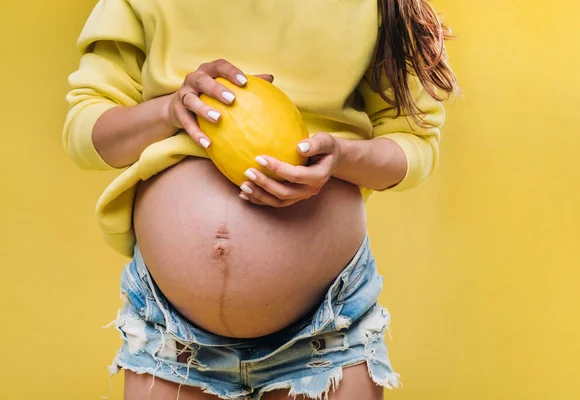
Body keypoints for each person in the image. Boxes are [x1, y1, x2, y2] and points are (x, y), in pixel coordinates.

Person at [62, 0, 458, 399]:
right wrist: (170, 109)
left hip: (327, 330)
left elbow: (415, 143)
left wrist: (343, 156)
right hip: (172, 338)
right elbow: (87, 133)